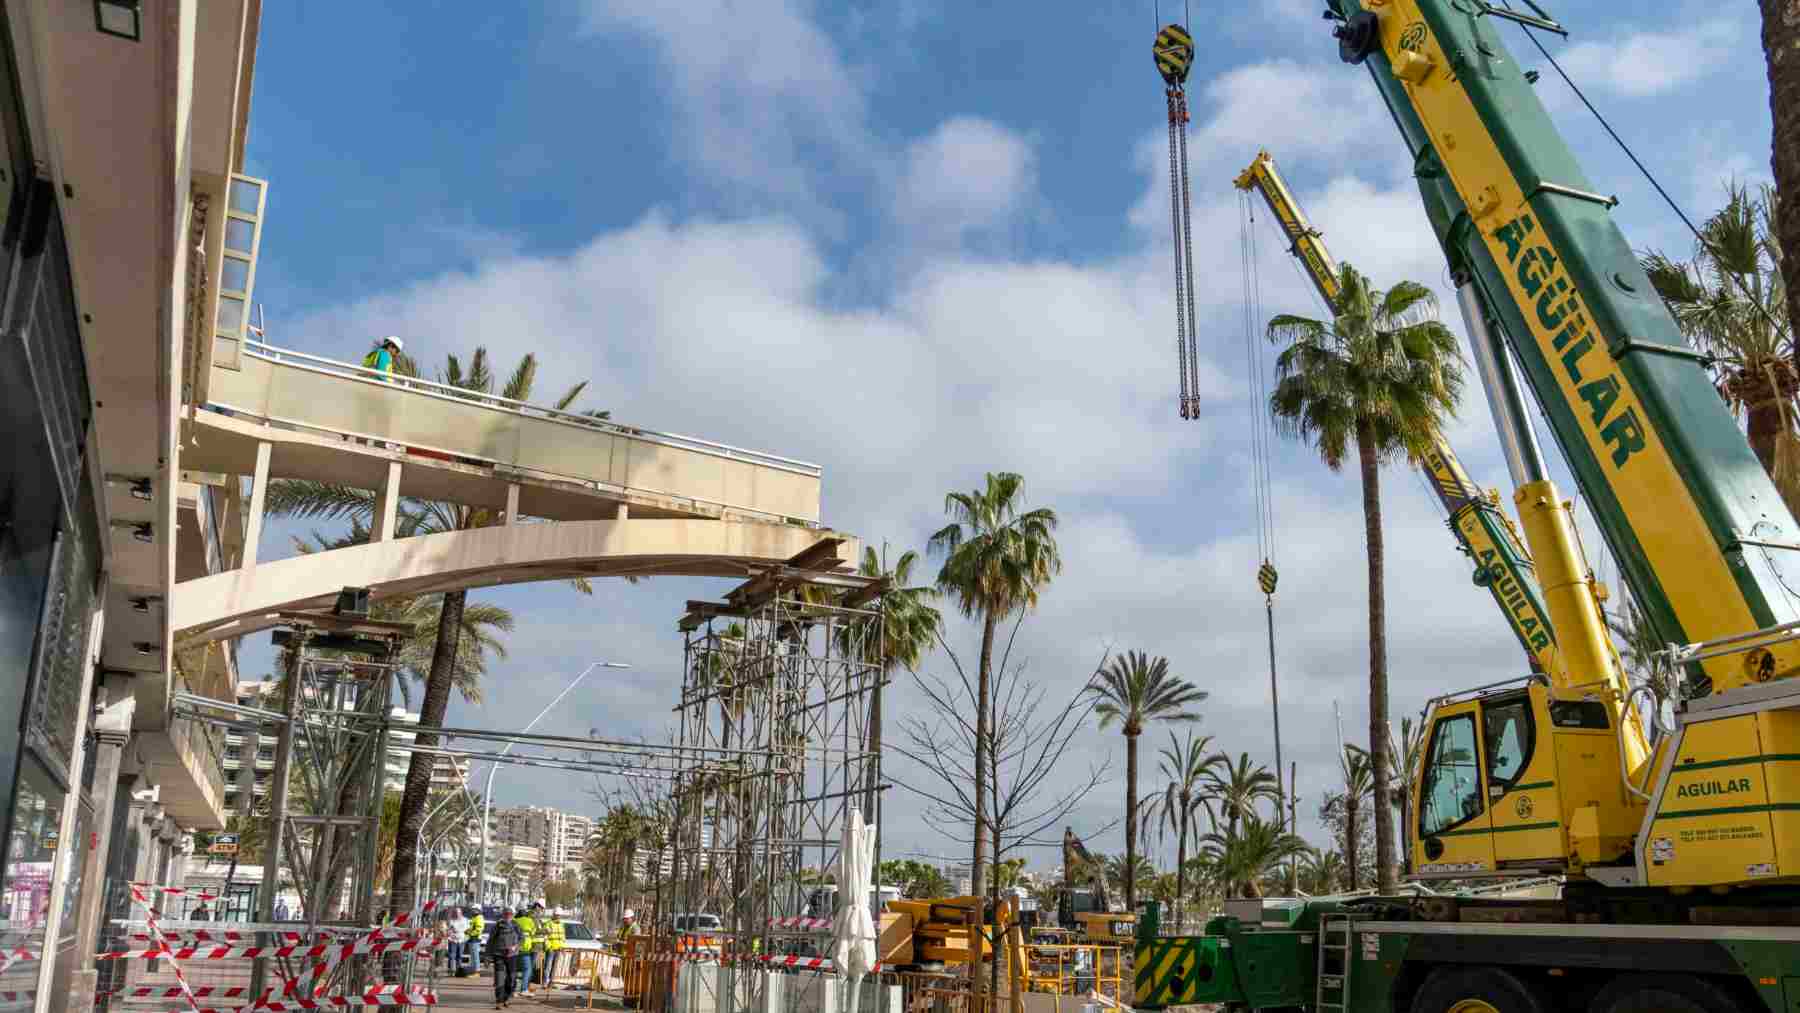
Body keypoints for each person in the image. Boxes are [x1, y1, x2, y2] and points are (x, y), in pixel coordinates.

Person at [487, 908, 523, 1009]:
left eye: (510, 914)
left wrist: (515, 946)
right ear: (503, 915)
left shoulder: (516, 925)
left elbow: (522, 938)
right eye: (506, 914)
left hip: (512, 956)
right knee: (499, 979)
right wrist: (487, 956)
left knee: (511, 979)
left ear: (512, 915)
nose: (508, 916)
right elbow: (490, 941)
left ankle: (506, 998)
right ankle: (499, 1001)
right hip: (499, 955)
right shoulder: (497, 926)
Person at [513, 904, 539, 997]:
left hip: (514, 949)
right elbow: (534, 932)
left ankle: (513, 991)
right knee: (527, 969)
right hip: (525, 949)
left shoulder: (514, 921)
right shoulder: (529, 921)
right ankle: (523, 989)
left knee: (514, 970)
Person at [542, 906, 565, 986]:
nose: (558, 917)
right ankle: (545, 982)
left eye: (559, 915)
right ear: (554, 915)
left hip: (558, 948)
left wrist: (562, 947)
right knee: (548, 966)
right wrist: (548, 946)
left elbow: (562, 937)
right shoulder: (548, 923)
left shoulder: (561, 924)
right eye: (557, 915)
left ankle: (551, 982)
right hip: (551, 948)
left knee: (554, 967)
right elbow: (545, 937)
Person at [447, 907, 470, 976]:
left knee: (459, 956)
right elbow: (448, 930)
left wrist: (466, 937)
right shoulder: (451, 920)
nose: (457, 914)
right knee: (452, 955)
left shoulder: (465, 920)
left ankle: (458, 970)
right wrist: (451, 934)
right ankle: (451, 971)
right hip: (453, 940)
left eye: (458, 913)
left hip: (462, 940)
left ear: (461, 913)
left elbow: (468, 930)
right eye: (456, 913)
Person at [464, 906, 485, 976]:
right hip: (472, 938)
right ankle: (473, 970)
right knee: (473, 956)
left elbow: (478, 930)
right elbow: (473, 928)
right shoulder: (475, 917)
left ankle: (477, 972)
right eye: (472, 909)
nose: (473, 911)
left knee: (475, 956)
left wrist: (470, 933)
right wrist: (468, 931)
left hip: (475, 939)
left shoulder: (479, 918)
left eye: (474, 909)